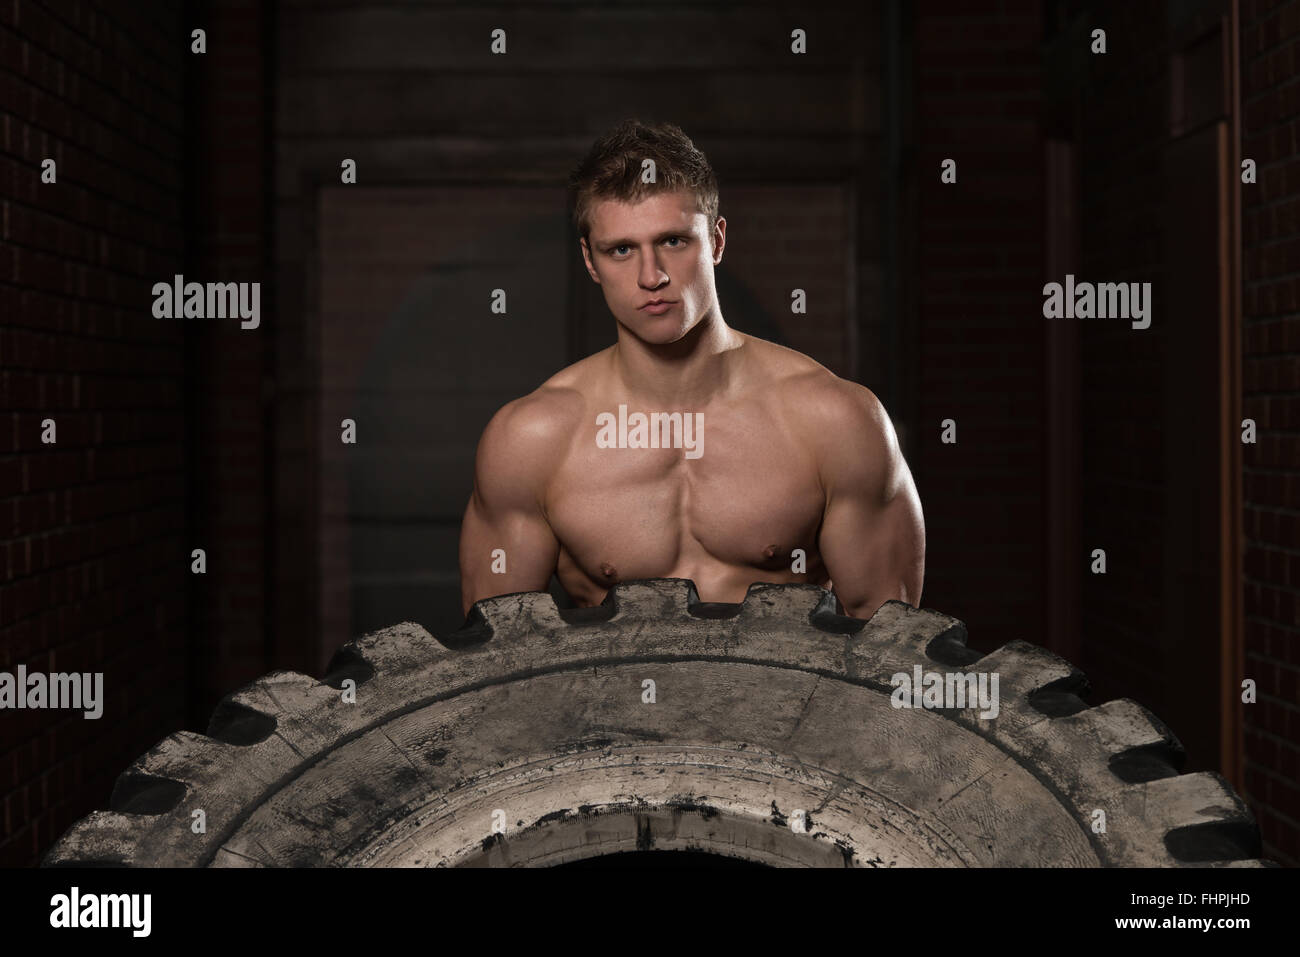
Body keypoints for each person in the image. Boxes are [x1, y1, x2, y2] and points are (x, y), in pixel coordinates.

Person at [458, 119, 924, 620]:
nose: (651, 276)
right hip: (610, 701)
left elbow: (887, 652)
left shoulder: (835, 421)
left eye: (674, 242)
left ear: (717, 241)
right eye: (621, 250)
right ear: (590, 262)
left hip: (782, 702)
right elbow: (497, 667)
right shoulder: (531, 441)